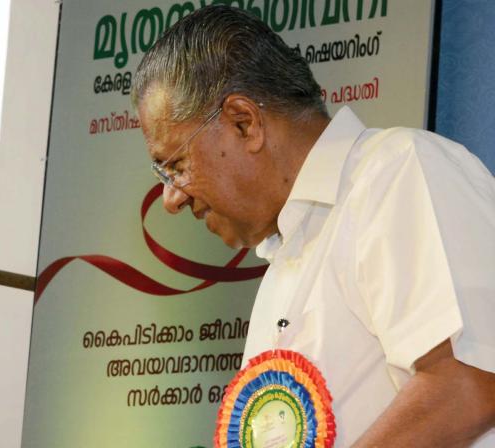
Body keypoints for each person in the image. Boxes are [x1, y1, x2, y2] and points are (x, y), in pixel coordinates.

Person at [133, 5, 495, 447]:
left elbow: (471, 379)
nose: (172, 198)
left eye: (176, 166)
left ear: (244, 122)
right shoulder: (283, 265)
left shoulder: (397, 170)